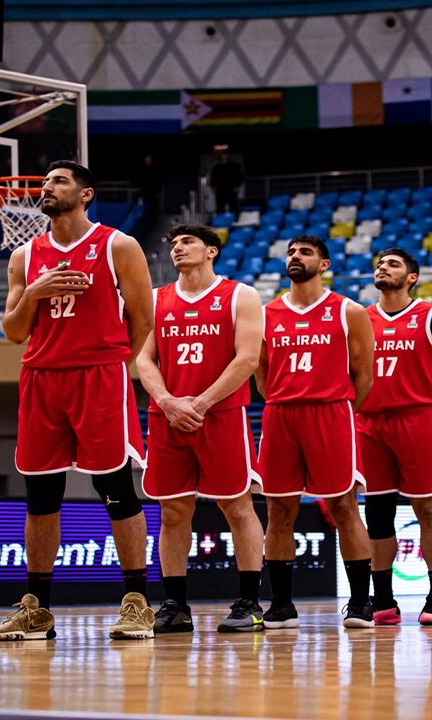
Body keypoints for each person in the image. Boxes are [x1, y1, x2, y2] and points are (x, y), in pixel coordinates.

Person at [0, 160, 155, 643]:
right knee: (41, 500)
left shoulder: (117, 245)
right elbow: (14, 331)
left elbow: (143, 318)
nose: (47, 188)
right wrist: (35, 292)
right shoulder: (25, 255)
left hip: (98, 377)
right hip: (41, 377)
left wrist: (111, 362)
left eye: (58, 181)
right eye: (44, 183)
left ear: (85, 194)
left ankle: (137, 603)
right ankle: (37, 610)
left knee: (118, 491)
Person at [136, 224, 267, 634]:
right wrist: (168, 401)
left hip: (221, 415)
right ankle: (174, 604)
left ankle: (249, 602)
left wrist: (201, 402)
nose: (177, 248)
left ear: (211, 251)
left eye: (187, 242)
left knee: (238, 507)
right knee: (172, 511)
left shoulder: (240, 295)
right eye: (173, 243)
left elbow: (247, 359)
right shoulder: (156, 299)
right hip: (168, 417)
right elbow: (143, 360)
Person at [257, 234, 375, 628]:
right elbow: (261, 376)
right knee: (279, 510)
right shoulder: (266, 312)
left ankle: (361, 602)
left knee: (343, 506)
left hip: (330, 413)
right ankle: (282, 604)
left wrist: (337, 406)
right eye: (290, 251)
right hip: (281, 414)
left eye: (305, 252)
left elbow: (363, 376)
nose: (295, 257)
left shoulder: (348, 311)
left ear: (323, 264)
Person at [357, 248, 432, 626]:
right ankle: (384, 599)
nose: (382, 267)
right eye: (379, 263)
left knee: (428, 510)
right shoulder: (360, 318)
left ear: (411, 278)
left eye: (391, 264)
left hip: (418, 419)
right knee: (377, 514)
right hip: (370, 424)